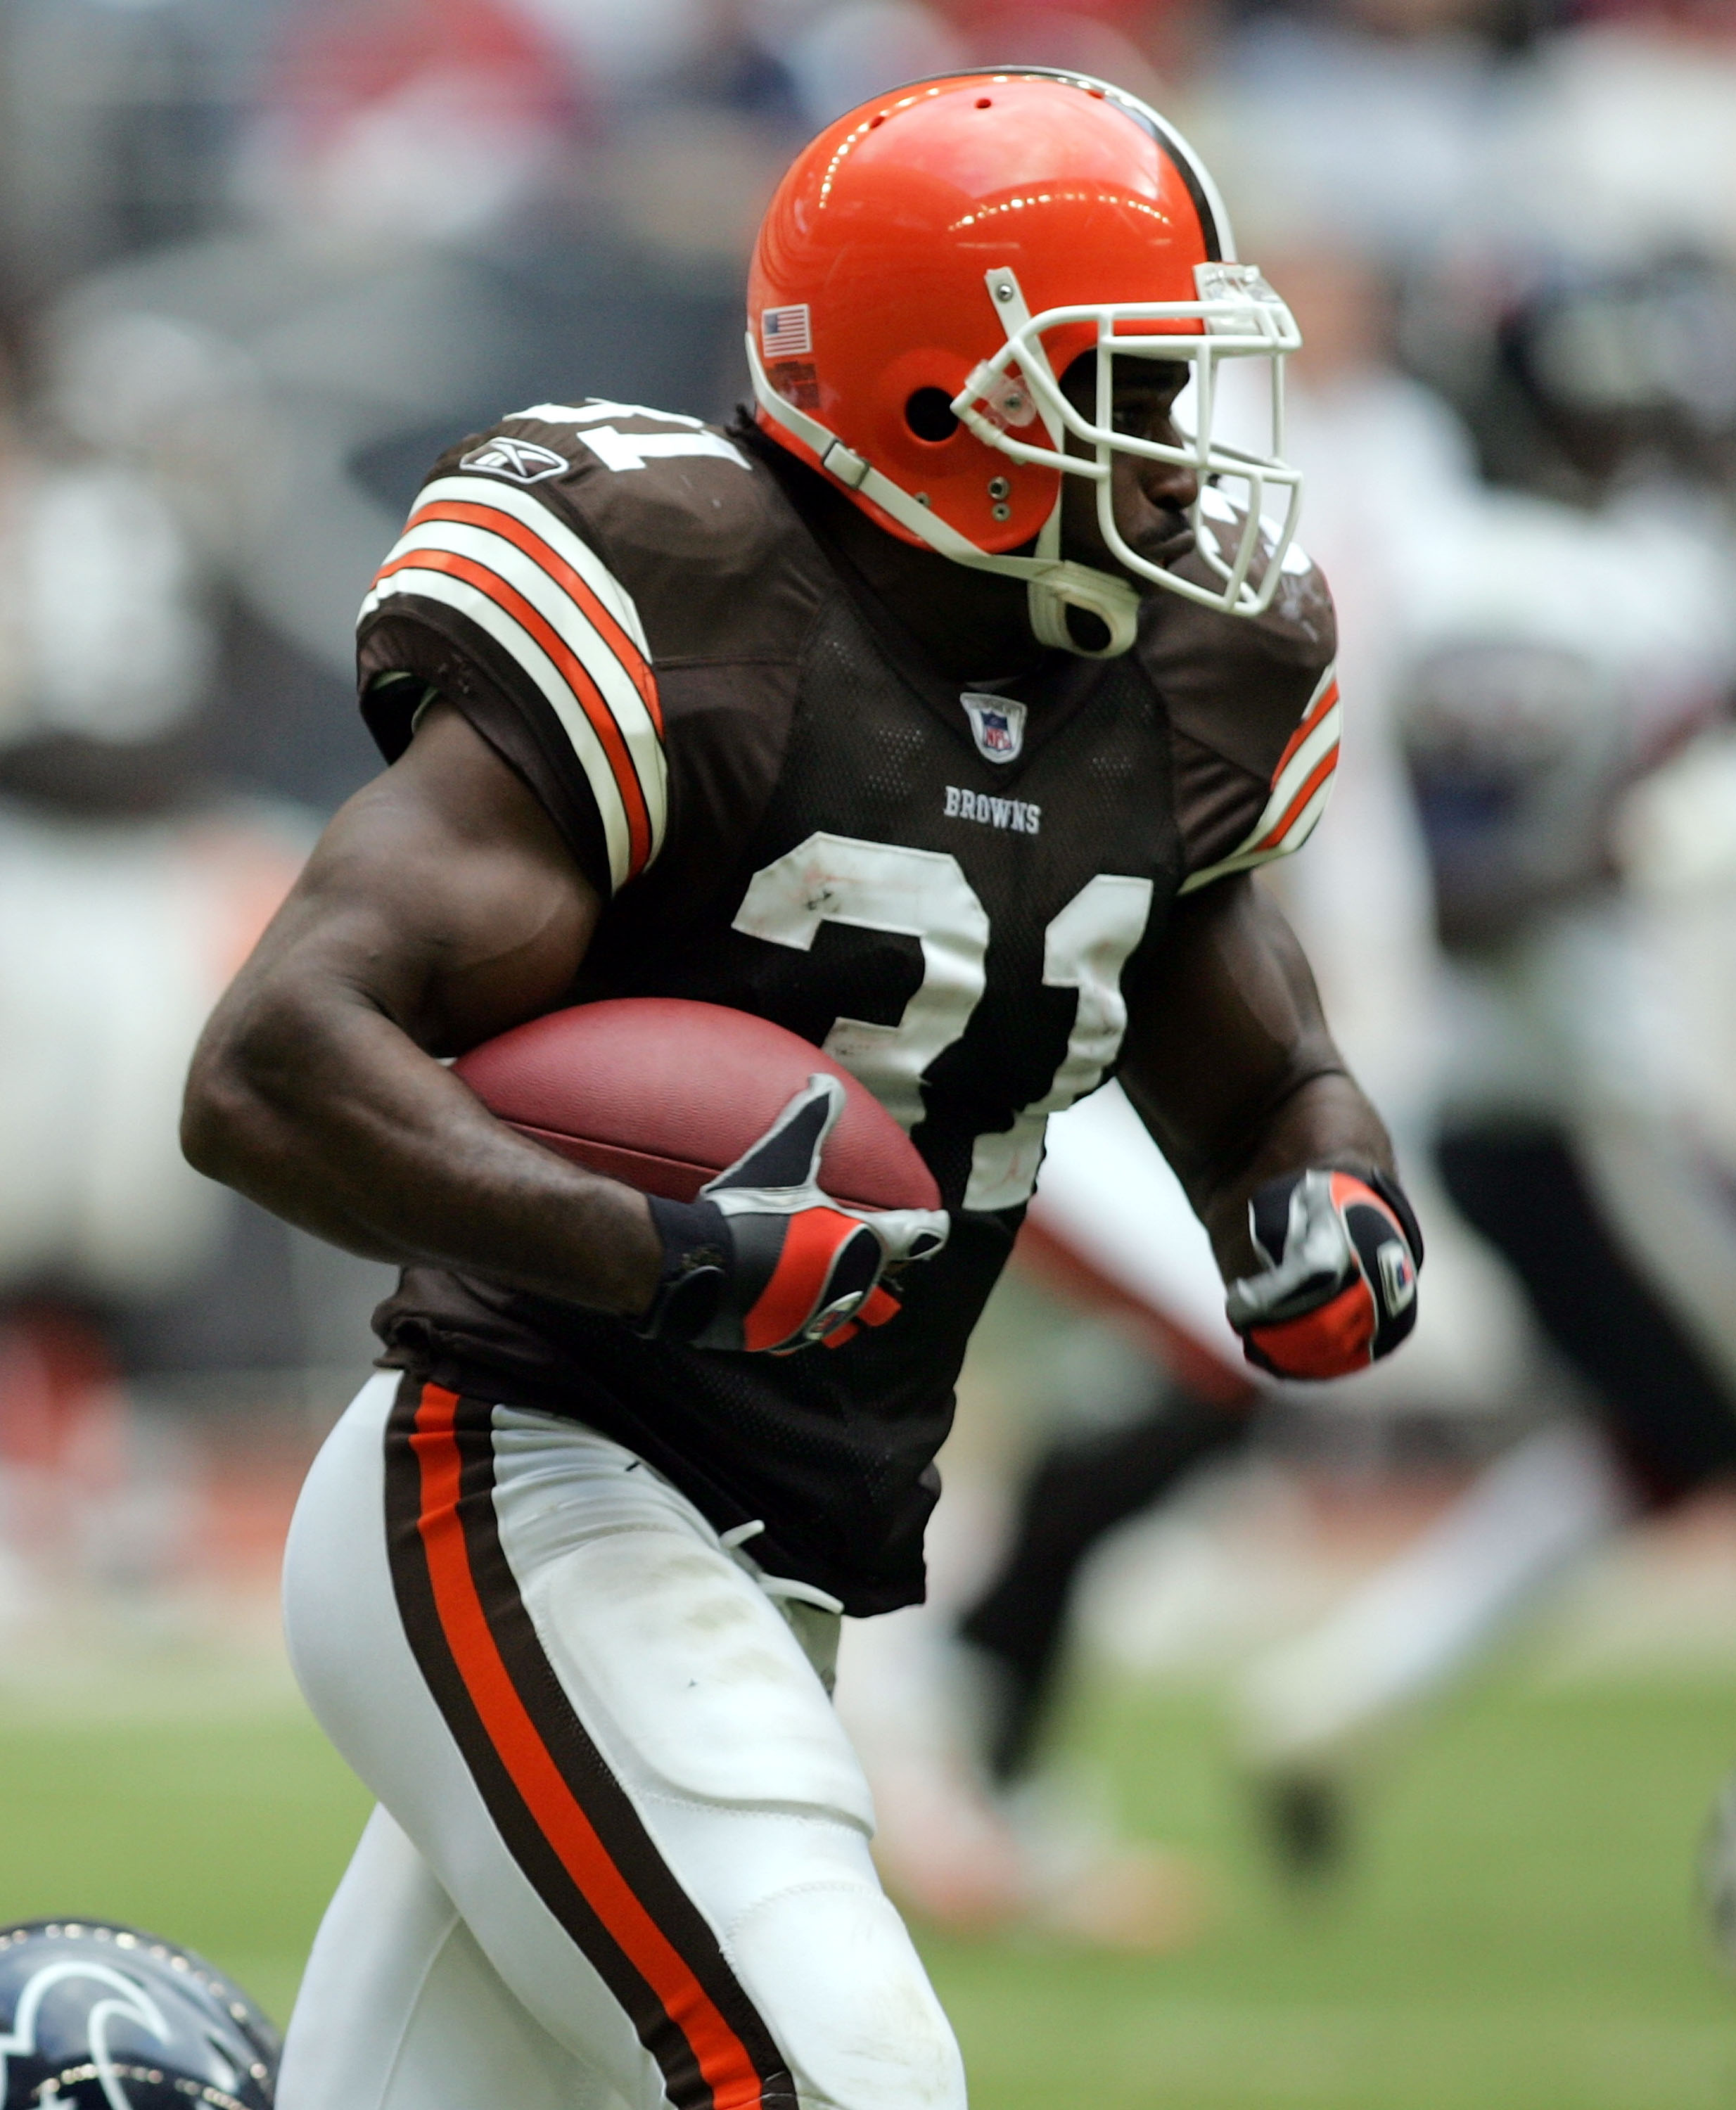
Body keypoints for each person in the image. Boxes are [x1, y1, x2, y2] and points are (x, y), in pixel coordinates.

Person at [182, 70, 1422, 2110]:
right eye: (1123, 382)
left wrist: (1324, 1191)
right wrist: (651, 1246)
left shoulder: (1172, 670)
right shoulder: (686, 595)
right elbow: (269, 1070)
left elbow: (1257, 1054)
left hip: (782, 1533)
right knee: (840, 2073)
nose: (1183, 453)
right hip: (519, 1478)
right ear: (944, 405)